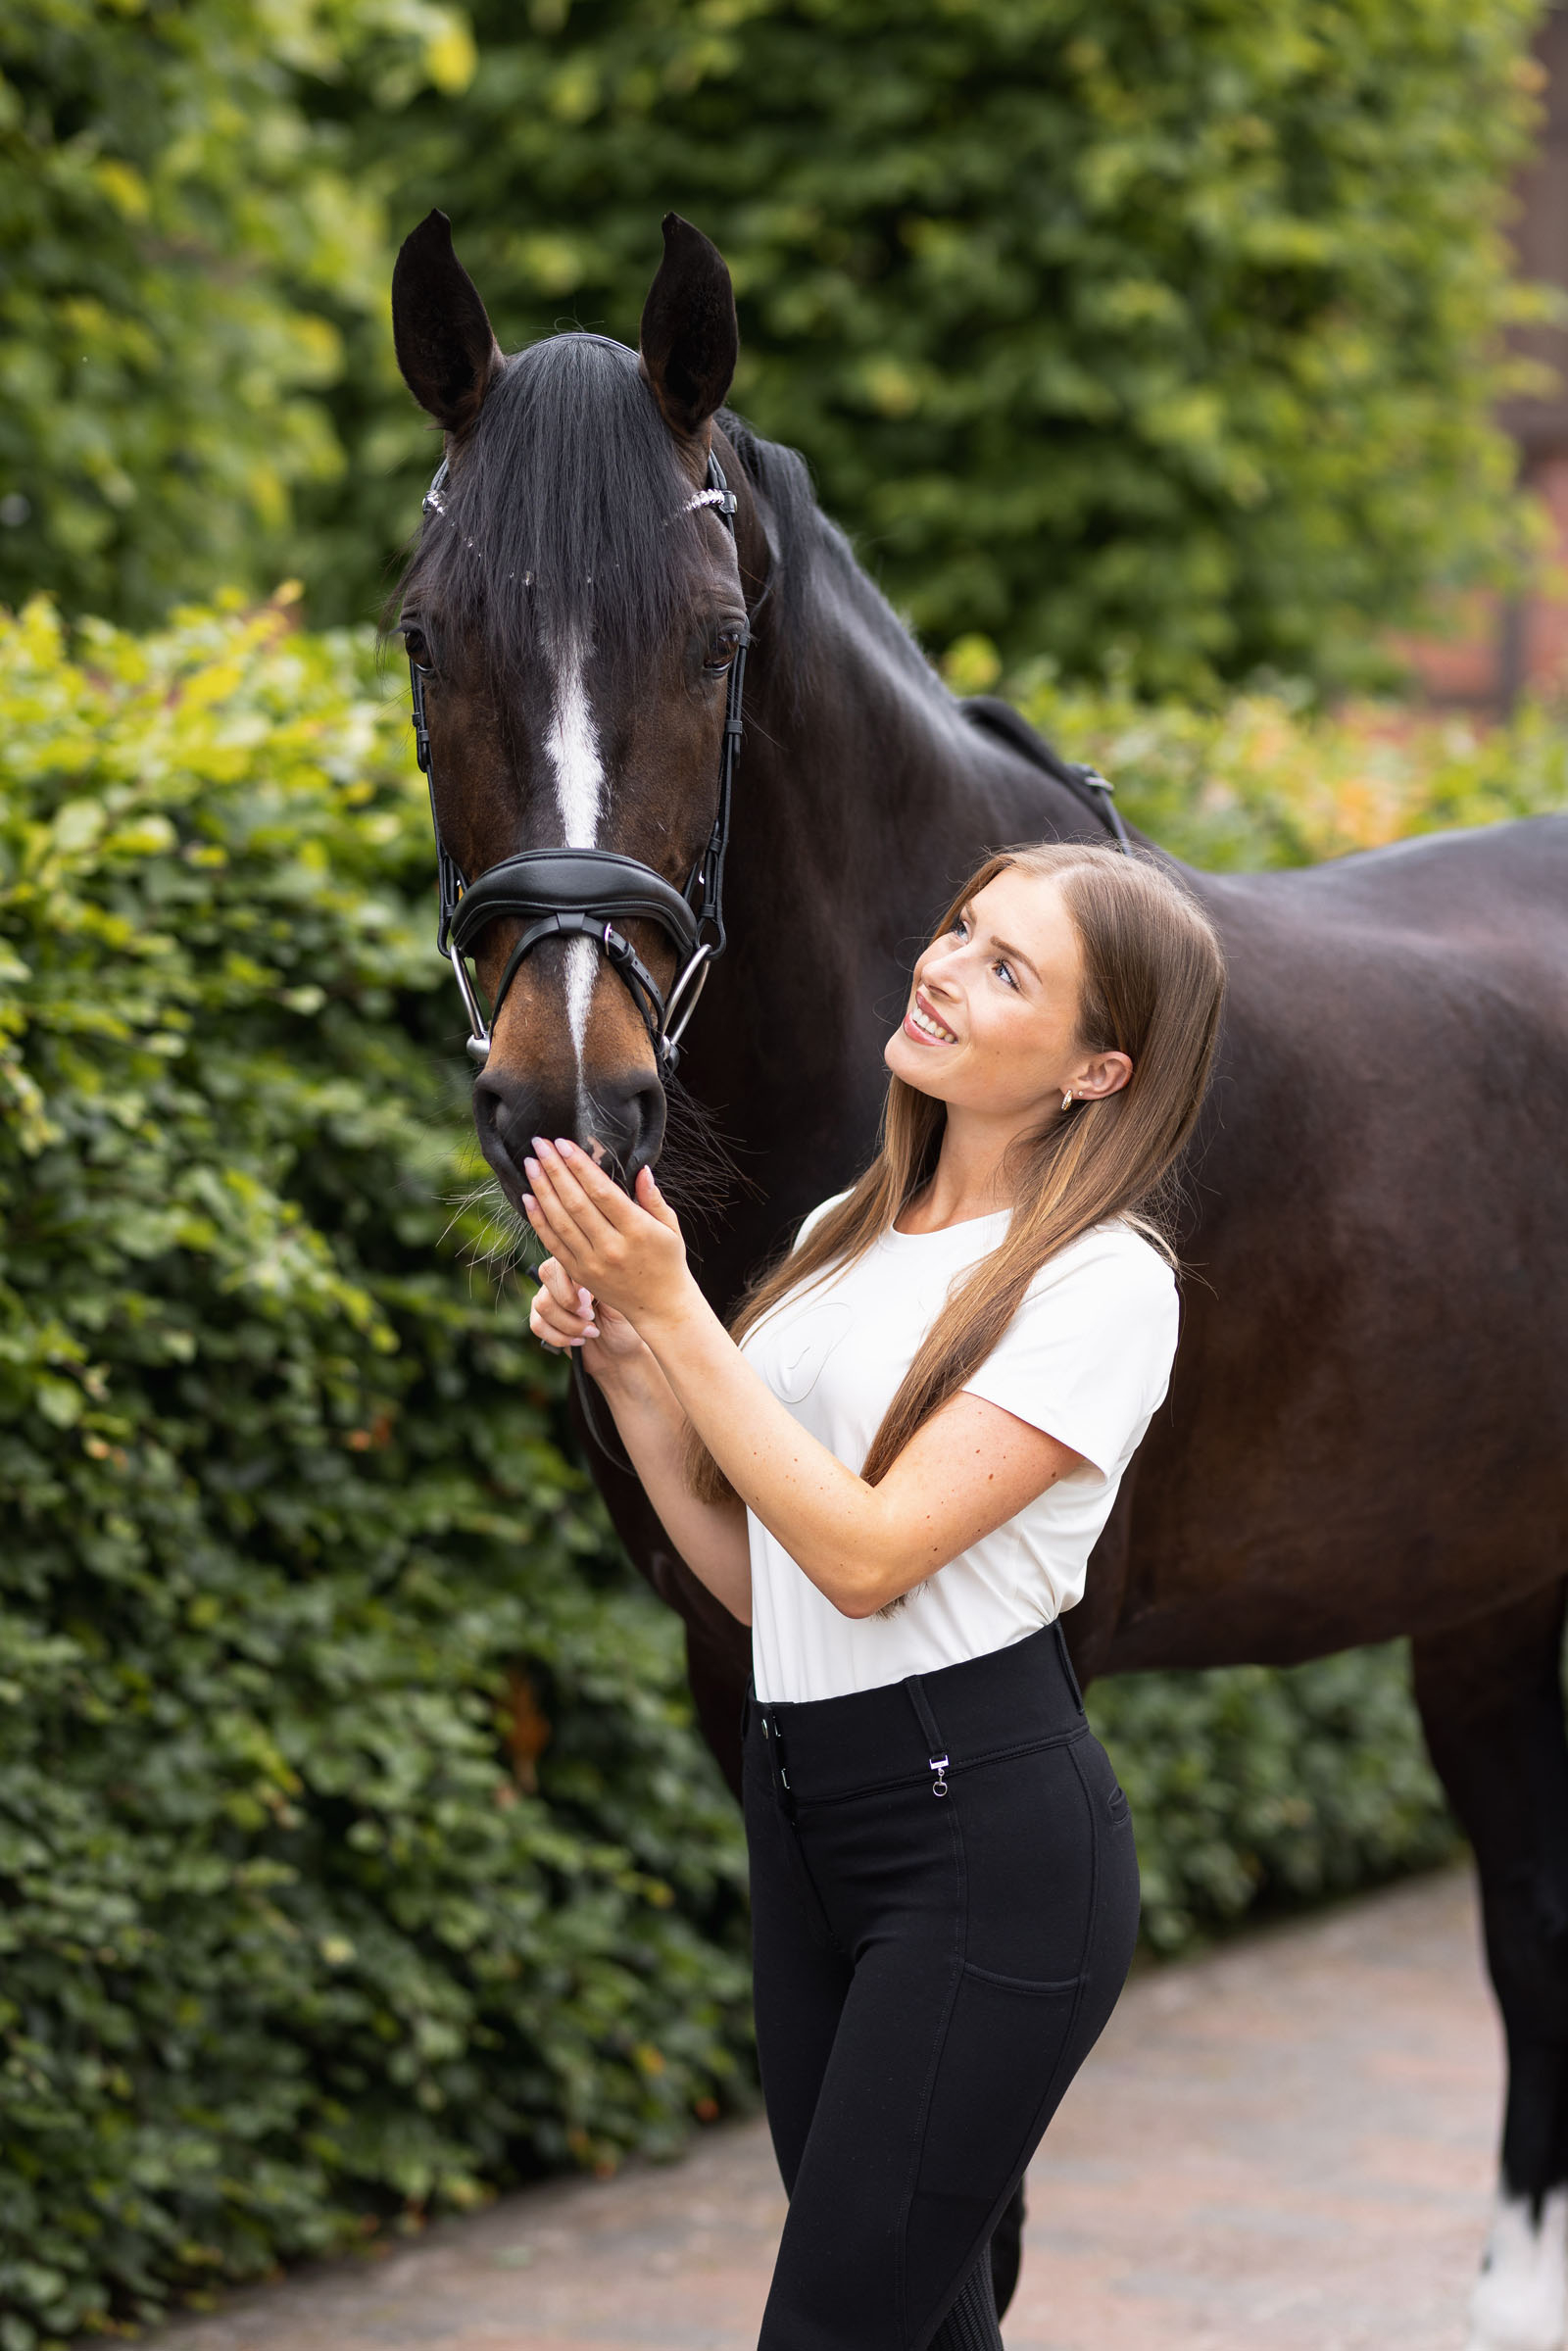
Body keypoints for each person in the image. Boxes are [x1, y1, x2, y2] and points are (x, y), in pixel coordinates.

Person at [522, 840, 1226, 2351]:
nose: (945, 965)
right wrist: (636, 1365)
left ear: (1100, 1072)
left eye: (1007, 966)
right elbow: (769, 1582)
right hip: (807, 1815)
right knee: (921, 2326)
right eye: (963, 929)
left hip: (983, 1849)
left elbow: (868, 1550)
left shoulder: (1104, 1284)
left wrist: (670, 1307)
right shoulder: (845, 1231)